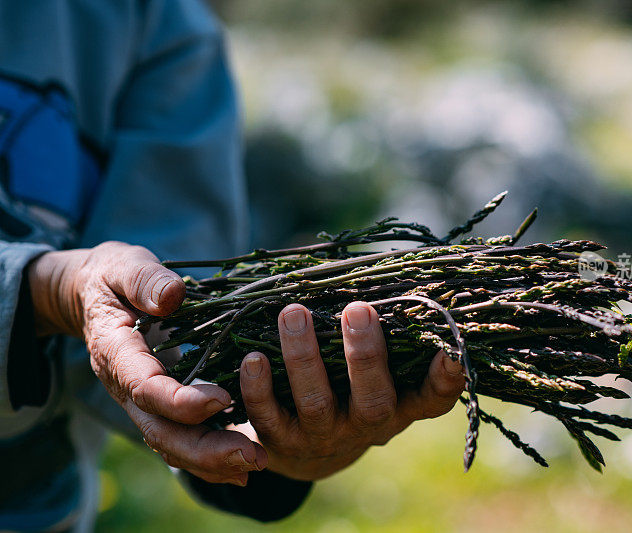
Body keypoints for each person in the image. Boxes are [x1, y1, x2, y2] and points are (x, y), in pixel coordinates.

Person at [0, 1, 464, 530]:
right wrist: (49, 291)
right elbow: (82, 299)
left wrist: (265, 443)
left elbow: (162, 337)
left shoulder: (161, 22)